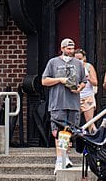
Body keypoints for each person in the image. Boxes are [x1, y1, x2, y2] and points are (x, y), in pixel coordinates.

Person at [41, 38, 86, 172]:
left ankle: (65, 156)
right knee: (60, 132)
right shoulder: (53, 62)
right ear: (62, 48)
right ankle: (60, 159)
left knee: (69, 132)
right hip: (58, 102)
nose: (70, 51)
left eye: (72, 48)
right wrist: (60, 80)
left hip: (73, 102)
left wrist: (79, 88)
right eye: (68, 48)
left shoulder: (78, 63)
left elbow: (84, 81)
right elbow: (44, 81)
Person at [73, 48, 98, 130]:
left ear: (84, 58)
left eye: (80, 59)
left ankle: (95, 140)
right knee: (73, 121)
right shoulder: (72, 68)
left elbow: (95, 82)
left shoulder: (89, 67)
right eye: (76, 59)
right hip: (75, 97)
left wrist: (89, 78)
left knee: (90, 121)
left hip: (87, 97)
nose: (78, 61)